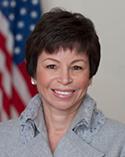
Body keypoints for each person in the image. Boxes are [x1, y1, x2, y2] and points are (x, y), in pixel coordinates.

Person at [0, 8, 125, 157]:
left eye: (76, 67)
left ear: (90, 75)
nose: (65, 79)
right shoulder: (3, 138)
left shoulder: (120, 140)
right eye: (52, 66)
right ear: (33, 73)